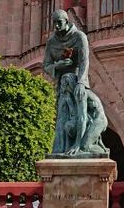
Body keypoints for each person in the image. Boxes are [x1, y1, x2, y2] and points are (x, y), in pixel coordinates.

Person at [42, 9, 108, 158]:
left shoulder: (79, 37)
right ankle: (61, 149)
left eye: (59, 23)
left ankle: (82, 145)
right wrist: (58, 65)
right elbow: (46, 65)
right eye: (54, 23)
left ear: (67, 21)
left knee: (85, 145)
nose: (57, 26)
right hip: (66, 78)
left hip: (78, 81)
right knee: (62, 118)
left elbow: (84, 60)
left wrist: (80, 83)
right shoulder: (52, 42)